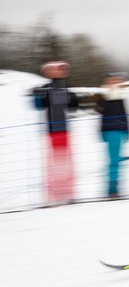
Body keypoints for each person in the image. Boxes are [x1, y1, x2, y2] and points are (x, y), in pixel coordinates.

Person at [32, 61, 79, 205]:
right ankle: (53, 194)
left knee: (66, 162)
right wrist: (37, 96)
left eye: (60, 70)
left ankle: (68, 192)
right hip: (52, 130)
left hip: (65, 129)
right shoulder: (45, 89)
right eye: (52, 70)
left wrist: (74, 98)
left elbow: (73, 108)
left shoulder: (66, 88)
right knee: (53, 163)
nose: (57, 72)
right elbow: (38, 107)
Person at [95, 72, 129, 199]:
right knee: (114, 161)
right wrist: (102, 94)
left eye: (119, 80)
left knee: (116, 161)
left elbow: (126, 113)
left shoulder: (122, 96)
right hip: (111, 131)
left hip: (120, 130)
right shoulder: (104, 96)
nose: (115, 83)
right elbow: (99, 111)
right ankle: (112, 190)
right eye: (112, 80)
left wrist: (128, 130)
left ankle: (113, 189)